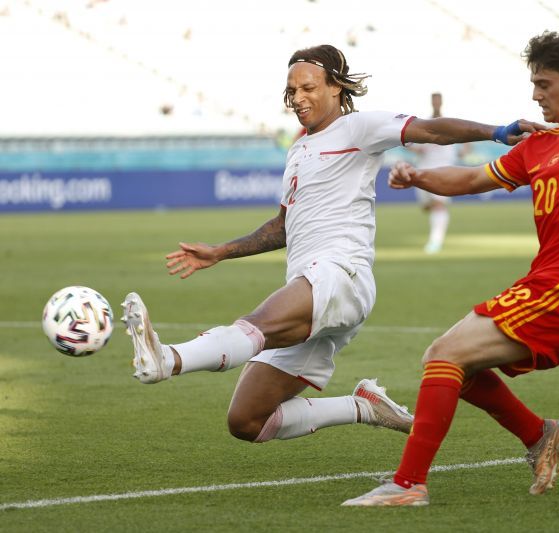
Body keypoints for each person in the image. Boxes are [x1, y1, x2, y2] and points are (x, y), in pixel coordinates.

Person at [122, 44, 533, 448]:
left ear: (336, 86)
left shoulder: (358, 128)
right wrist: (220, 252)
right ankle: (362, 406)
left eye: (308, 88)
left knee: (258, 325)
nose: (298, 99)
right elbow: (283, 227)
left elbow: (431, 129)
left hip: (341, 272)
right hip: (312, 284)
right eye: (292, 91)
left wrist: (495, 132)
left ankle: (169, 359)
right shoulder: (299, 149)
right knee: (247, 421)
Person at [342, 30, 559, 507]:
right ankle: (538, 434)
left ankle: (408, 484)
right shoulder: (540, 143)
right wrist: (418, 176)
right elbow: (473, 177)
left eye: (544, 84)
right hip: (543, 283)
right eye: (534, 84)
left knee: (445, 355)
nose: (536, 94)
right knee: (459, 364)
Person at [406, 92, 460, 254]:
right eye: (434, 100)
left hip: (444, 168)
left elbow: (466, 142)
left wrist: (463, 150)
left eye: (438, 100)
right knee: (428, 206)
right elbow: (410, 143)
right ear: (432, 102)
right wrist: (417, 148)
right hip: (424, 169)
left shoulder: (451, 124)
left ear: (441, 102)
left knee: (439, 204)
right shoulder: (424, 124)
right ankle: (436, 234)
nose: (436, 103)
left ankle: (435, 242)